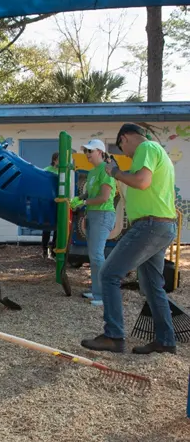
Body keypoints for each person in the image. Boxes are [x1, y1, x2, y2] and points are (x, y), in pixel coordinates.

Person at [81, 124, 177, 355]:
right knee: (152, 286)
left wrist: (114, 172)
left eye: (123, 147)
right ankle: (166, 341)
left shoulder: (147, 147)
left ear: (125, 138)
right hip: (160, 225)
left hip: (150, 225)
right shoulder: (156, 152)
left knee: (109, 273)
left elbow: (142, 181)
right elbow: (143, 184)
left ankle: (114, 336)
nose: (126, 154)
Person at [70, 140, 116, 307]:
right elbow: (90, 193)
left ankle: (103, 295)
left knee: (97, 256)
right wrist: (79, 198)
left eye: (90, 151)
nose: (87, 154)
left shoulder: (106, 170)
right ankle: (97, 291)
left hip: (103, 215)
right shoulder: (92, 172)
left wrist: (84, 203)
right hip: (93, 215)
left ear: (100, 152)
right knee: (94, 256)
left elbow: (104, 197)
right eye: (86, 151)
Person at [42, 152, 59, 259]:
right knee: (47, 226)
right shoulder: (47, 170)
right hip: (48, 201)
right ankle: (44, 249)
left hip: (59, 202)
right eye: (59, 159)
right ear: (54, 160)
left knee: (57, 227)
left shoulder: (63, 172)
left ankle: (54, 250)